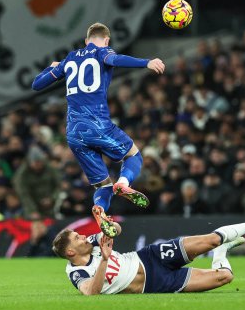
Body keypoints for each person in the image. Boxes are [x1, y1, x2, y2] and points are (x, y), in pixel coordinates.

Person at [32, 23, 165, 237]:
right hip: (97, 125)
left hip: (74, 134)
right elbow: (115, 59)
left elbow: (36, 85)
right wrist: (146, 62)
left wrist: (54, 67)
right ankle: (123, 184)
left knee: (102, 185)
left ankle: (101, 210)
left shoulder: (70, 58)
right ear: (106, 40)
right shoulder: (103, 51)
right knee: (134, 155)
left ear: (86, 40)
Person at [52, 205, 245, 295]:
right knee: (225, 277)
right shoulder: (75, 272)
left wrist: (108, 225)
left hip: (149, 257)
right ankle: (222, 253)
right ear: (71, 252)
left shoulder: (91, 242)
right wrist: (103, 260)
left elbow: (116, 229)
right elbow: (91, 292)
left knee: (210, 239)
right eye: (77, 237)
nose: (82, 236)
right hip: (156, 284)